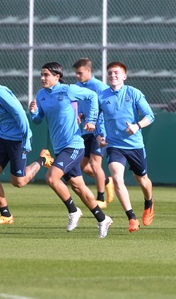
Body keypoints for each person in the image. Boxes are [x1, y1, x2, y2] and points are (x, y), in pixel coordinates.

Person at [29, 62, 112, 238]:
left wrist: (91, 120)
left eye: (46, 75)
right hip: (60, 147)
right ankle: (102, 219)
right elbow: (38, 120)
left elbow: (92, 96)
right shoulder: (41, 95)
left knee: (51, 178)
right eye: (41, 75)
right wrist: (33, 112)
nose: (43, 78)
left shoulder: (68, 90)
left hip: (74, 145)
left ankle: (73, 211)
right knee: (79, 187)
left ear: (57, 76)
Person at [0, 65, 53, 225]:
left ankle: (43, 160)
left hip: (19, 139)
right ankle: (6, 215)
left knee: (18, 182)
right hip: (2, 138)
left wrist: (26, 138)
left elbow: (19, 113)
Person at [96, 61, 155, 233]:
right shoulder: (102, 96)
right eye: (110, 73)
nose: (113, 76)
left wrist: (137, 126)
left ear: (124, 76)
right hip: (114, 146)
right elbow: (98, 119)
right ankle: (131, 218)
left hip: (135, 145)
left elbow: (150, 116)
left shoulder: (133, 93)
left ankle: (149, 202)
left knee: (142, 180)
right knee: (117, 178)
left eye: (116, 73)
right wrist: (100, 135)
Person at [72, 58, 114, 208]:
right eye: (76, 73)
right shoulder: (78, 86)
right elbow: (78, 105)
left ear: (89, 71)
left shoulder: (100, 87)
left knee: (96, 165)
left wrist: (102, 130)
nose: (77, 76)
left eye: (80, 73)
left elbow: (104, 109)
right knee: (82, 166)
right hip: (85, 130)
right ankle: (107, 181)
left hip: (100, 129)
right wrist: (79, 114)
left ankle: (101, 198)